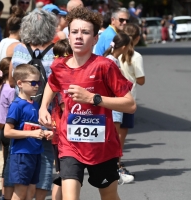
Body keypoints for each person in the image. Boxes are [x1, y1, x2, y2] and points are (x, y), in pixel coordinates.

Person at [39, 7, 136, 200]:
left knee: (109, 196)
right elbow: (52, 83)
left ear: (95, 39)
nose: (78, 37)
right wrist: (43, 106)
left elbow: (130, 104)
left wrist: (93, 98)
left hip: (101, 146)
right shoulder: (59, 66)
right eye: (74, 32)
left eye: (85, 32)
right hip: (69, 144)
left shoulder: (104, 66)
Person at [8, 9, 57, 200]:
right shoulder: (55, 52)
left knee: (20, 165)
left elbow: (12, 81)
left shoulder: (18, 49)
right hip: (46, 114)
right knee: (44, 162)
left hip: (20, 112)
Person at [4, 64, 53, 200]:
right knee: (20, 192)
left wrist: (44, 132)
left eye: (39, 82)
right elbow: (7, 132)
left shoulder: (34, 104)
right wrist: (32, 134)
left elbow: (33, 127)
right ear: (19, 83)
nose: (37, 86)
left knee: (30, 191)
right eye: (33, 82)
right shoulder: (17, 105)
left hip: (35, 152)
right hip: (21, 155)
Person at [103, 33, 135, 185]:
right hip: (113, 103)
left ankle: (112, 170)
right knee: (112, 139)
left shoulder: (111, 59)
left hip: (113, 103)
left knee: (113, 138)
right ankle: (113, 171)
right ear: (123, 47)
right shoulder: (111, 61)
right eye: (128, 45)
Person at [118, 23, 145, 176]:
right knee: (121, 134)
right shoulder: (136, 56)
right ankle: (117, 163)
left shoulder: (114, 52)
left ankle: (112, 162)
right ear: (137, 38)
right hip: (127, 99)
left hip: (111, 99)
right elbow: (141, 80)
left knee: (113, 133)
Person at [50, 39, 72, 200]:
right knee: (64, 174)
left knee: (62, 174)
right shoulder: (60, 77)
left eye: (63, 55)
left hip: (60, 131)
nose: (59, 59)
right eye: (56, 55)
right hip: (62, 132)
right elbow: (65, 107)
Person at [0, 57, 16, 200]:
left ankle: (4, 193)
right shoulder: (11, 90)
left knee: (6, 164)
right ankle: (7, 195)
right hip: (10, 130)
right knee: (11, 165)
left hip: (3, 129)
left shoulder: (3, 87)